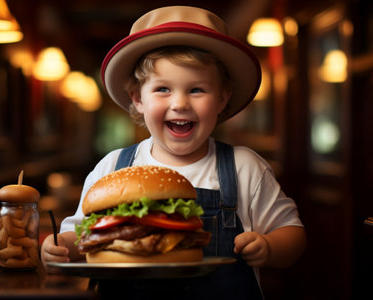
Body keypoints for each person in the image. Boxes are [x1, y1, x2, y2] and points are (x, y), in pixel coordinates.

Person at [41, 6, 306, 299]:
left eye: (196, 90)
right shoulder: (113, 166)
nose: (180, 103)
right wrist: (60, 246)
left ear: (222, 98)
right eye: (163, 89)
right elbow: (83, 237)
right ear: (137, 98)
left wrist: (270, 247)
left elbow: (293, 234)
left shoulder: (245, 166)